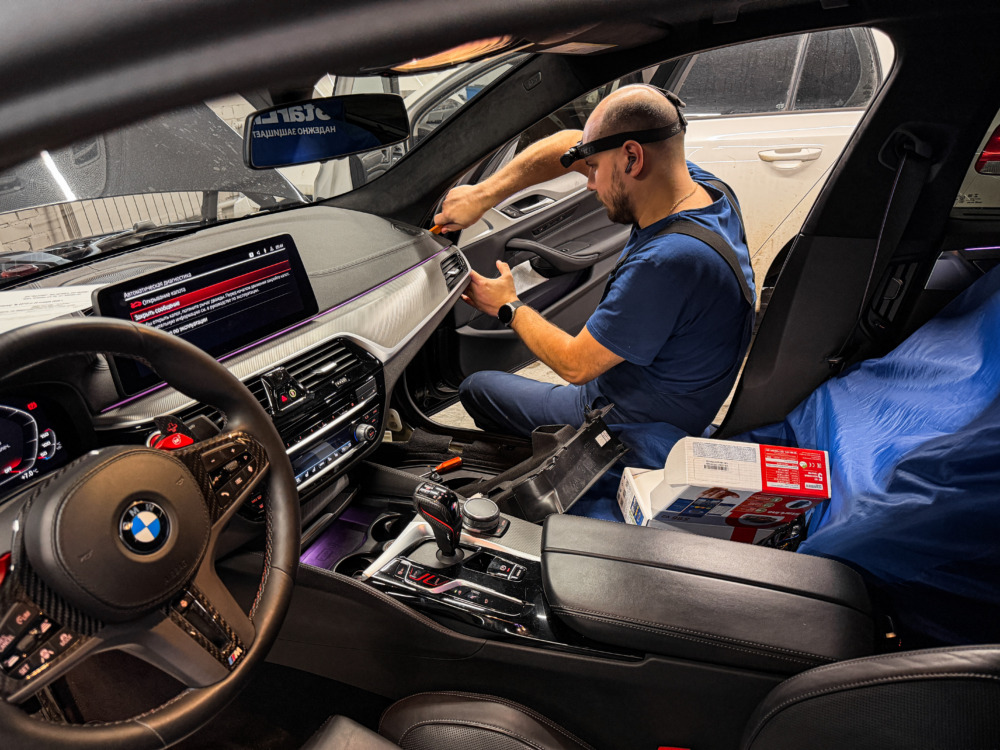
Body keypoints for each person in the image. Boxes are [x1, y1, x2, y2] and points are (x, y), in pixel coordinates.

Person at [435, 84, 755, 440]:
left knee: (477, 388)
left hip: (627, 419)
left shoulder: (667, 262)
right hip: (673, 396)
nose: (588, 183)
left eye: (594, 168)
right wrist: (483, 195)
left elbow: (576, 365)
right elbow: (569, 144)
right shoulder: (707, 189)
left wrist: (508, 306)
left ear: (632, 157)